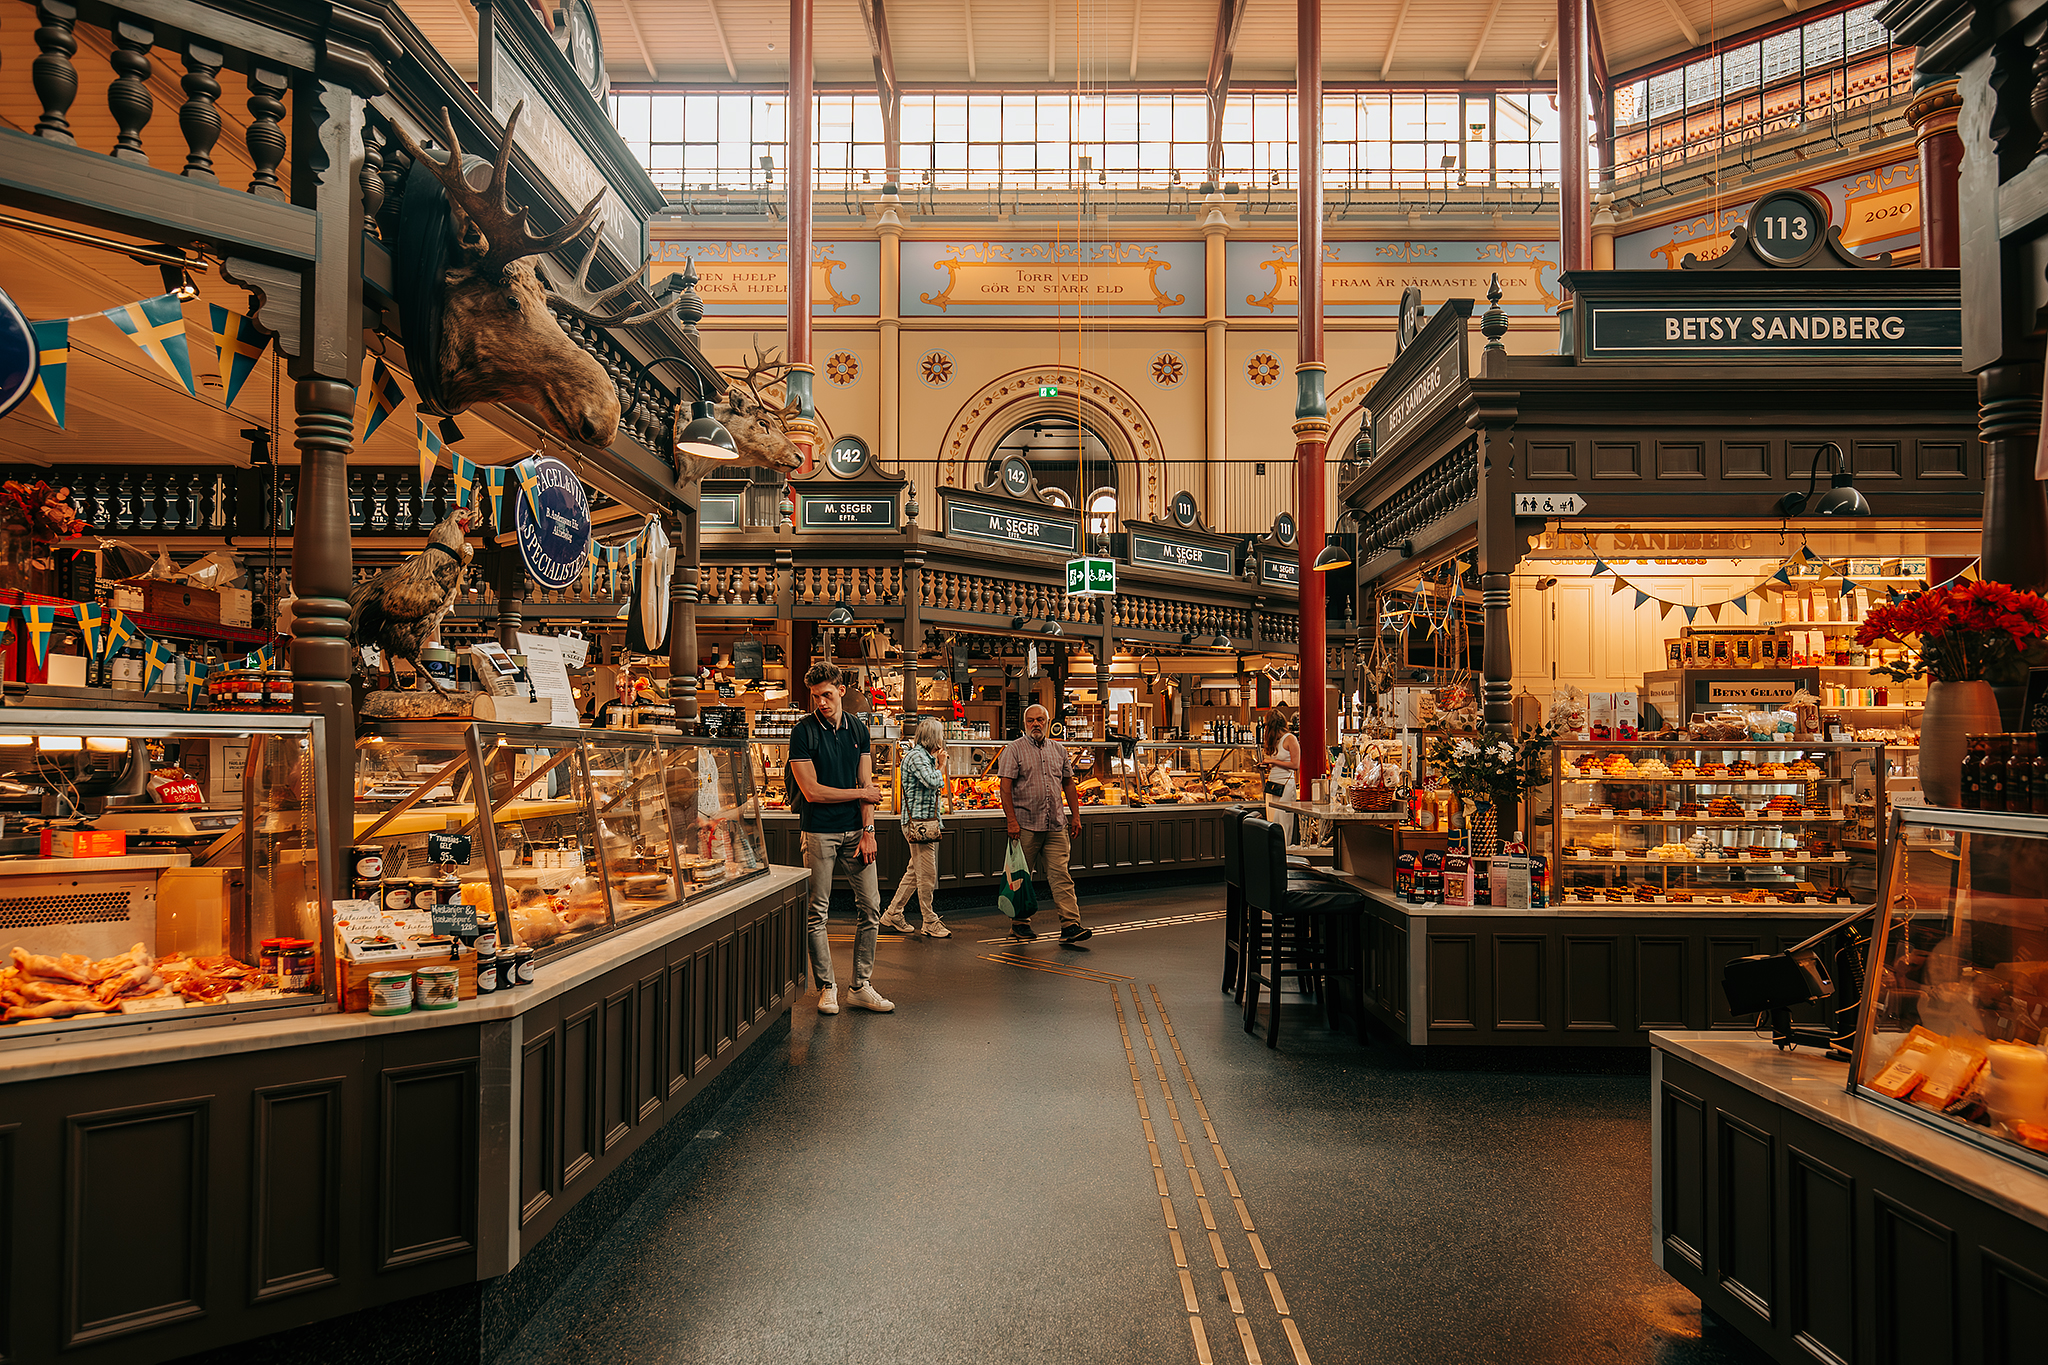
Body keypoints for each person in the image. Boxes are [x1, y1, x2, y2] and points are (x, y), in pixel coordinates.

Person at [788, 661, 895, 1014]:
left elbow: (867, 786)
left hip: (856, 833)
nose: (822, 702)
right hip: (818, 832)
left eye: (828, 695)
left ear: (841, 691)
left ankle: (860, 986)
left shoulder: (858, 730)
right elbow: (813, 792)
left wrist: (868, 830)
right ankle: (827, 987)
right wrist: (860, 796)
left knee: (871, 908)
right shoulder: (803, 732)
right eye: (816, 696)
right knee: (817, 912)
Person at [997, 703, 1091, 947]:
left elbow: (1069, 784)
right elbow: (1005, 788)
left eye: (1040, 720)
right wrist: (1011, 821)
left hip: (1056, 825)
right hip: (1025, 825)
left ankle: (1070, 925)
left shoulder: (1059, 750)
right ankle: (1019, 923)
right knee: (1020, 877)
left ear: (1047, 723)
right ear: (1024, 724)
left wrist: (1076, 816)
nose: (1035, 724)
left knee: (1062, 876)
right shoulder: (1013, 750)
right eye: (1031, 721)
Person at [879, 715, 950, 938]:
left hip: (924, 823)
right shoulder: (917, 757)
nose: (942, 739)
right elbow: (933, 781)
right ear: (932, 737)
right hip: (918, 825)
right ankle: (929, 920)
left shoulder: (923, 757)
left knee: (914, 872)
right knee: (927, 875)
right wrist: (941, 765)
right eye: (940, 735)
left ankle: (893, 914)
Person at [1260, 709, 1303, 845]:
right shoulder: (1275, 741)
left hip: (1285, 785)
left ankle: (1285, 853)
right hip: (1273, 784)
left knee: (1283, 822)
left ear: (1272, 725)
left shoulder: (1290, 739)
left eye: (1266, 725)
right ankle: (1273, 854)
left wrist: (1272, 761)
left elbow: (1295, 764)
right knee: (1272, 821)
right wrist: (1267, 766)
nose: (1265, 728)